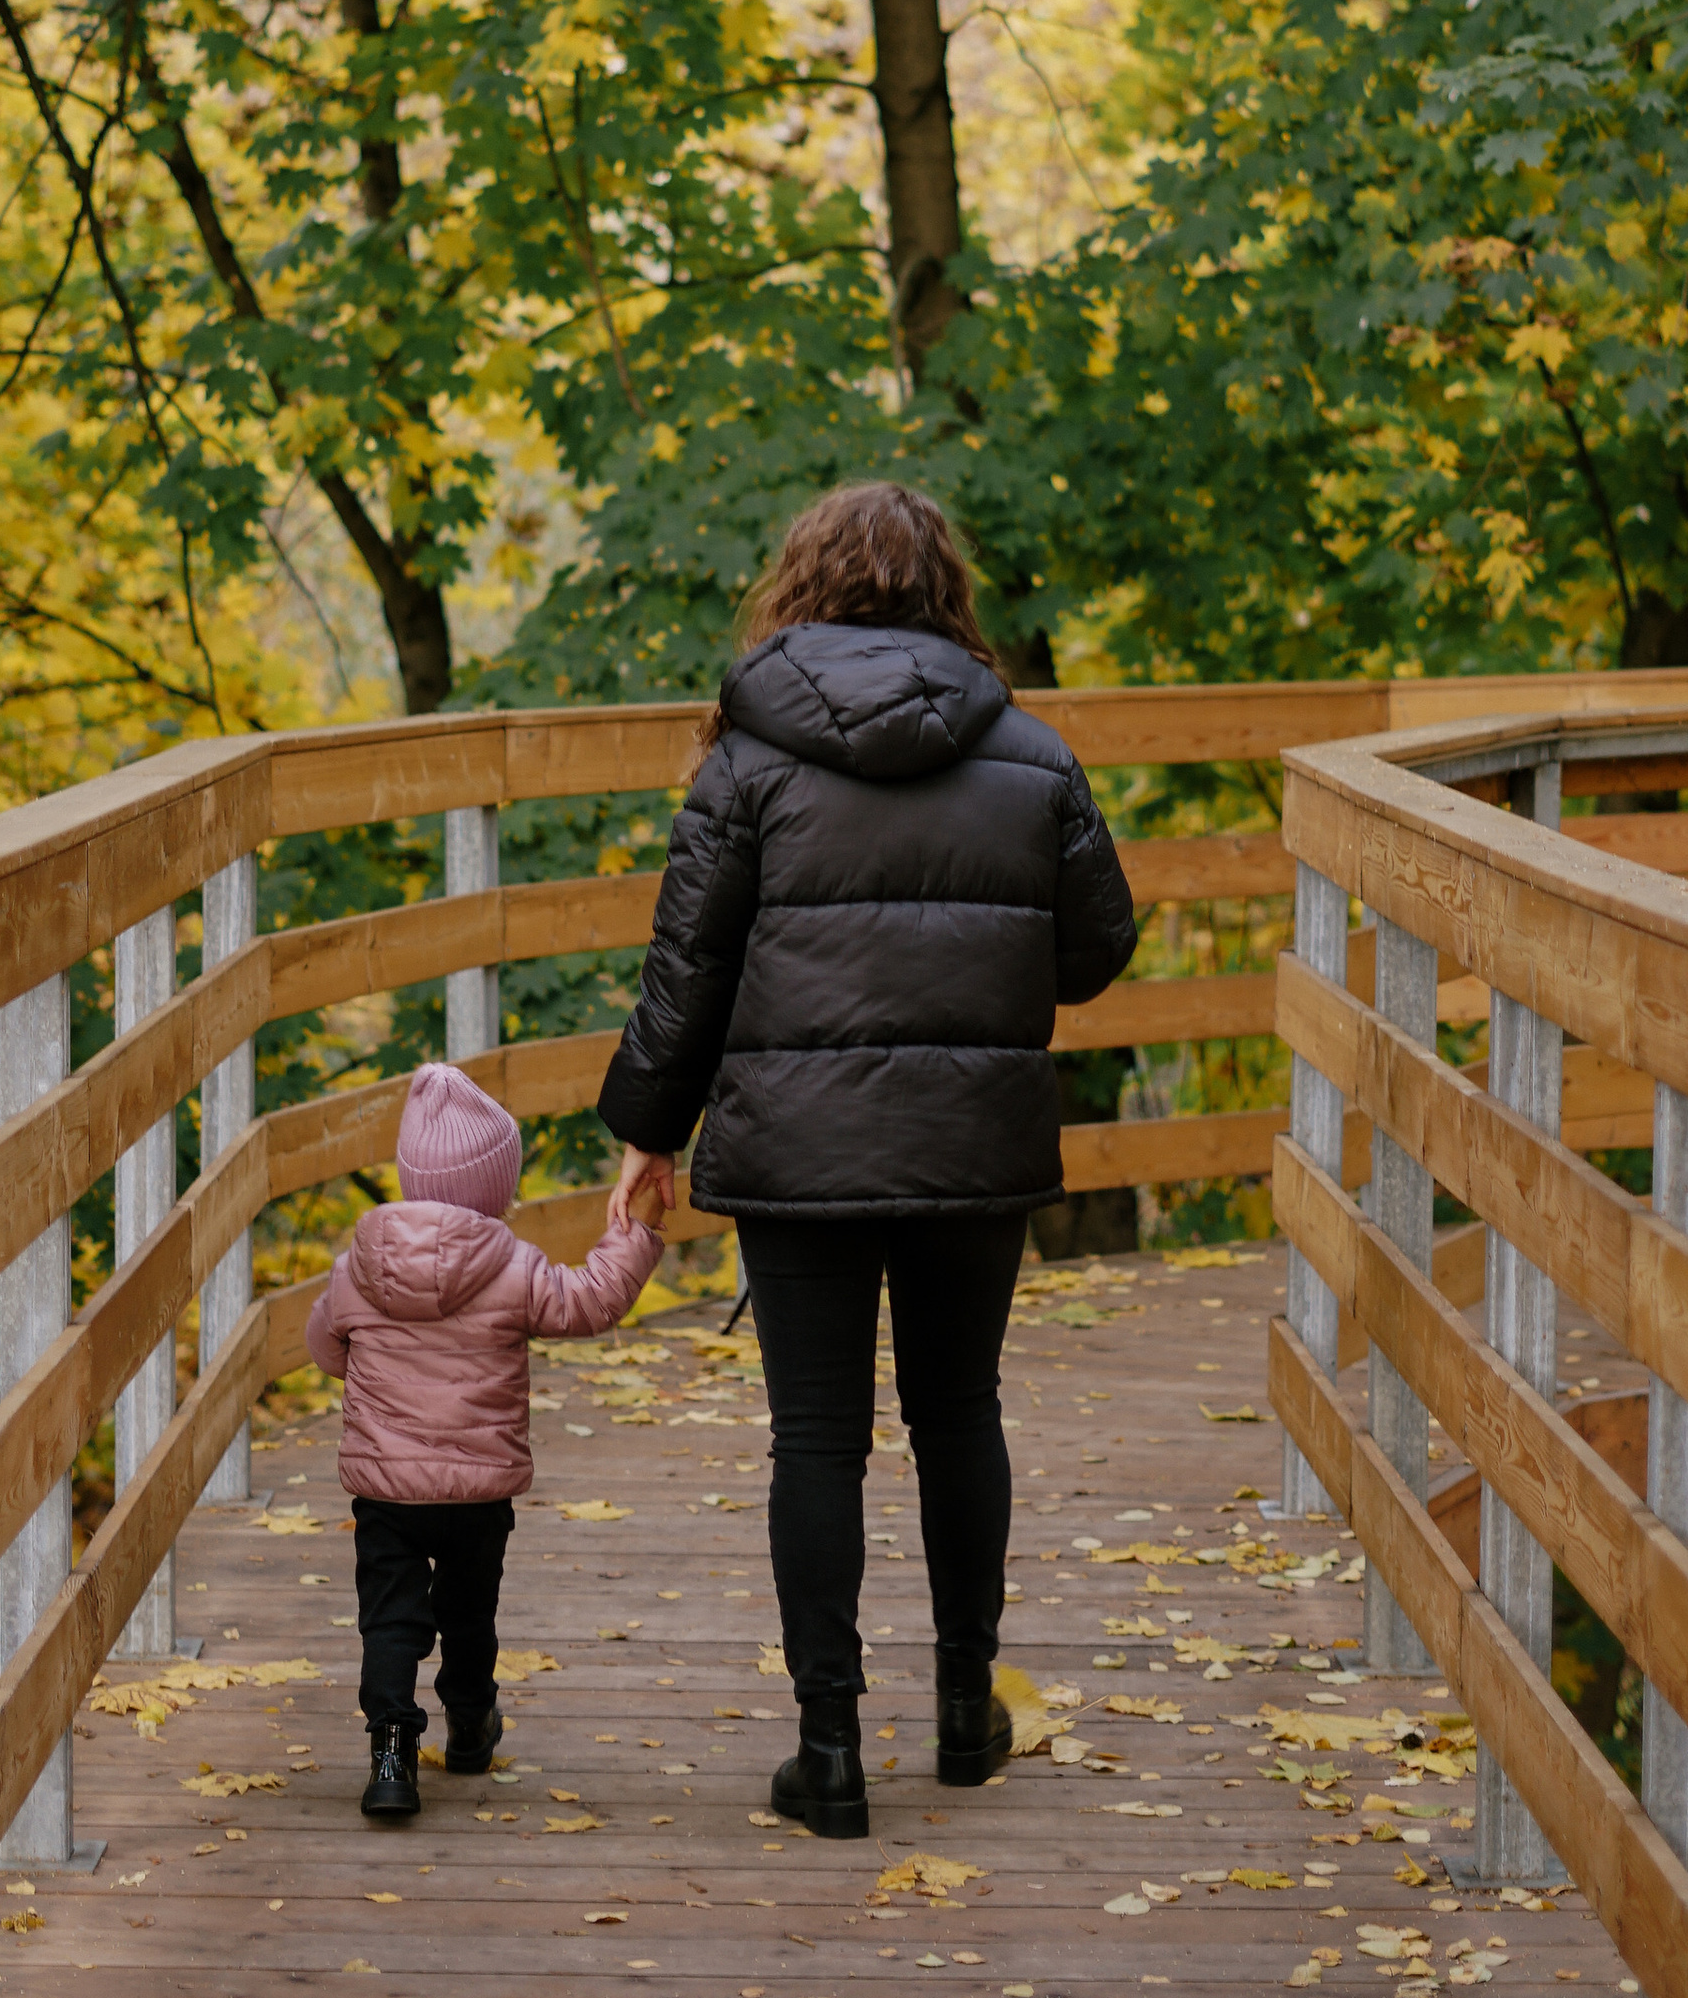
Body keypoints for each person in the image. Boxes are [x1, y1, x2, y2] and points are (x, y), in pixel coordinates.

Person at [597, 481, 1137, 1840]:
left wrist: (648, 1129)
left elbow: (687, 971)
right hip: (972, 1137)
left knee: (817, 1438)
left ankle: (829, 1751)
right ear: (947, 592)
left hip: (798, 1148)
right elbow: (1096, 949)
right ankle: (963, 1712)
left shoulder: (746, 762)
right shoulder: (1032, 755)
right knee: (959, 1411)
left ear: (802, 587)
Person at [306, 1059, 665, 1823]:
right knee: (469, 1614)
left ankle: (391, 1756)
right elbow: (590, 1302)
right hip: (476, 1492)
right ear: (496, 1188)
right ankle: (470, 1727)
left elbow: (325, 1345)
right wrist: (635, 1234)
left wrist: (374, 1387)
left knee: (390, 1618)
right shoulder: (512, 1267)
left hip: (387, 1491)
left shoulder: (358, 1268)